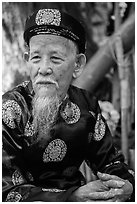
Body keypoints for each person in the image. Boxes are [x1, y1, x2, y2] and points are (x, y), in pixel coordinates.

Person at [2, 8, 134, 202]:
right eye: (36, 58)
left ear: (78, 65)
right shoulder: (10, 110)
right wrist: (71, 197)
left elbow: (110, 162)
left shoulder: (86, 105)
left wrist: (125, 185)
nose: (44, 69)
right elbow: (6, 191)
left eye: (55, 58)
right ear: (27, 61)